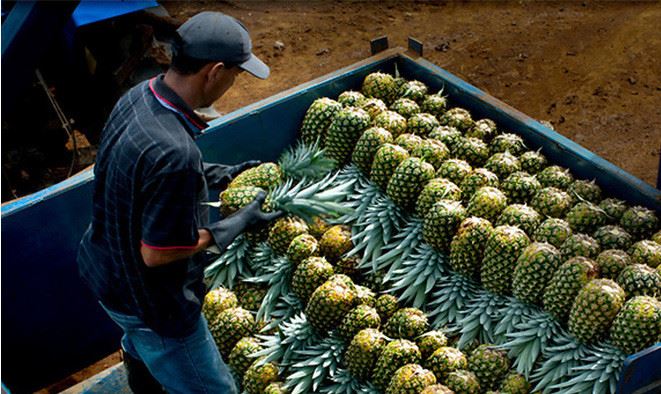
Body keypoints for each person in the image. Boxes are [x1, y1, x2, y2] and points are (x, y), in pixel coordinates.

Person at [77, 11, 279, 394]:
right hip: (149, 303)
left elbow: (147, 170)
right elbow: (158, 252)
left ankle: (144, 383)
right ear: (215, 71)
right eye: (237, 74)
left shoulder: (141, 96)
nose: (233, 84)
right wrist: (229, 227)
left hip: (104, 267)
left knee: (138, 344)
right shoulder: (175, 154)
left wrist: (223, 173)